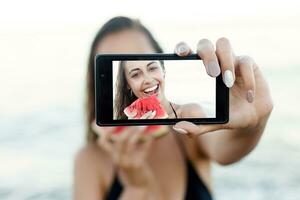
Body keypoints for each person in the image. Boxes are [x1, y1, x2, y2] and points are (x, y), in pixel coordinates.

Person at [74, 16, 273, 200]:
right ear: (126, 83)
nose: (147, 79)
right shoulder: (89, 160)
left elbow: (228, 151)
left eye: (150, 66)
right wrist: (136, 189)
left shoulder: (188, 122)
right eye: (134, 73)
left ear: (163, 66)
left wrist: (254, 121)